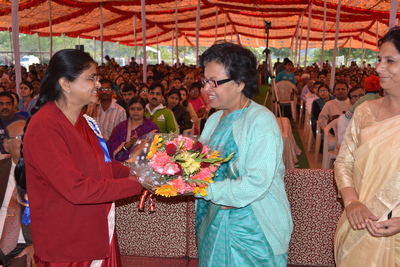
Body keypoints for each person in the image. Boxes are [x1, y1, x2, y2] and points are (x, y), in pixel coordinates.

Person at [22, 49, 142, 266]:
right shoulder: (46, 126)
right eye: (91, 78)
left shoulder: (85, 121)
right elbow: (76, 189)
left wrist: (144, 172)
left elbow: (105, 166)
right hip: (67, 244)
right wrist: (137, 184)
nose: (98, 84)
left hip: (96, 231)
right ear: (65, 84)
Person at [196, 42, 292, 266]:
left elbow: (255, 184)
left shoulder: (260, 122)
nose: (207, 88)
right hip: (215, 220)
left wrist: (201, 188)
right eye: (204, 81)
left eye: (215, 82)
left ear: (240, 83)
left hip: (253, 230)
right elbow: (199, 166)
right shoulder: (213, 120)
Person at [334, 27, 400, 266]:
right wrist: (352, 203)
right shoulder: (365, 112)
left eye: (390, 61)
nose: (379, 67)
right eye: (379, 60)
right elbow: (344, 162)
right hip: (360, 227)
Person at [0, 120, 34, 267]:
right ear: (6, 145)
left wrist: (37, 245)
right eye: (20, 137)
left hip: (24, 245)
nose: (26, 141)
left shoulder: (44, 175)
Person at [107, 97, 159, 162]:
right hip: (121, 163)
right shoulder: (121, 127)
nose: (135, 111)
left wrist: (139, 143)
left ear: (144, 110)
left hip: (143, 164)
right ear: (128, 110)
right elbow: (110, 145)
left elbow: (158, 146)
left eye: (139, 109)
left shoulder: (151, 127)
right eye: (132, 109)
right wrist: (125, 146)